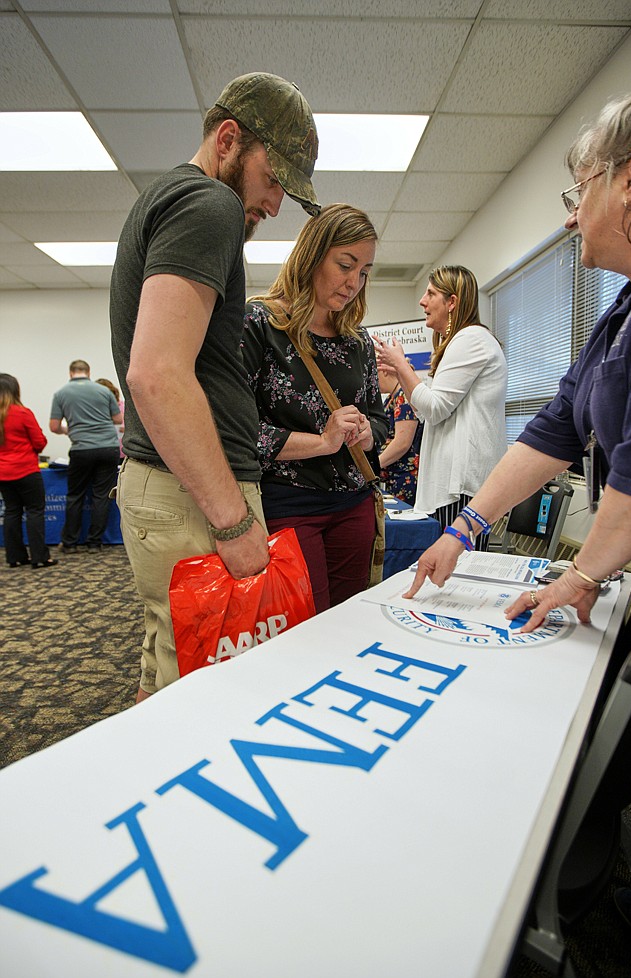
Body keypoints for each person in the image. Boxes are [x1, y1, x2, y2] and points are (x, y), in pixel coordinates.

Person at [404, 88, 631, 636]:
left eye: (579, 194)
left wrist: (581, 574)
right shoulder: (625, 308)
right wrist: (464, 528)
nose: (571, 220)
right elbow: (557, 426)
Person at [109, 72, 319, 701]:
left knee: (170, 667)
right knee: (208, 698)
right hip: (195, 498)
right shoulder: (210, 203)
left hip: (169, 486)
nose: (276, 204)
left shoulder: (170, 200)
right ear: (229, 140)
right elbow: (156, 374)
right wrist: (231, 523)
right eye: (273, 179)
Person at [241, 203, 388, 613]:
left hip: (354, 504)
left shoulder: (357, 340)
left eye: (364, 272)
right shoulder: (259, 323)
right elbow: (236, 431)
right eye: (345, 265)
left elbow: (381, 420)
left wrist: (365, 432)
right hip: (288, 506)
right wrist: (322, 442)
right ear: (311, 256)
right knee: (303, 625)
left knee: (347, 620)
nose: (354, 282)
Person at [374, 265, 507, 548]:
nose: (422, 301)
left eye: (431, 293)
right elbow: (424, 411)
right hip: (453, 486)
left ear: (452, 302)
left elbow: (434, 409)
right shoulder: (459, 342)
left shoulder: (470, 339)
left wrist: (400, 364)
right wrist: (402, 374)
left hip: (459, 487)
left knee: (457, 570)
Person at [49, 360, 122, 553]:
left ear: (71, 372)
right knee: (101, 496)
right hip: (108, 448)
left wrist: (69, 430)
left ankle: (71, 543)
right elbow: (118, 419)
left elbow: (54, 426)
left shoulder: (61, 393)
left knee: (75, 495)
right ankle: (95, 542)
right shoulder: (104, 391)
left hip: (81, 449)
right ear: (88, 372)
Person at [0, 373, 56, 569]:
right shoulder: (22, 413)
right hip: (26, 470)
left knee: (11, 512)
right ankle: (40, 557)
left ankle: (15, 557)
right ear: (15, 390)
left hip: (2, 474)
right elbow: (40, 442)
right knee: (35, 512)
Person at [377, 367, 420, 505]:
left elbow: (402, 443)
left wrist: (374, 466)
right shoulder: (393, 398)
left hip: (405, 476)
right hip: (394, 474)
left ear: (384, 371)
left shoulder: (404, 396)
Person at [96, 377, 125, 457]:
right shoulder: (95, 410)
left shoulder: (124, 407)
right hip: (102, 453)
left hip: (123, 453)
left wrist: (127, 430)